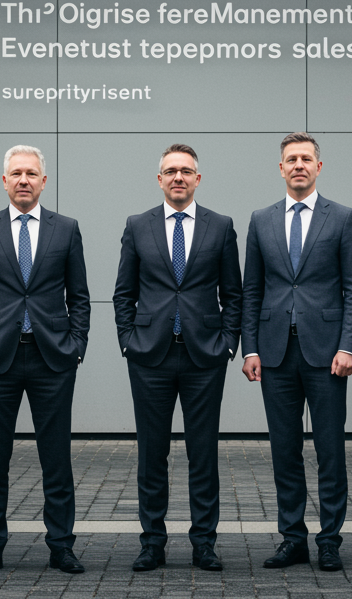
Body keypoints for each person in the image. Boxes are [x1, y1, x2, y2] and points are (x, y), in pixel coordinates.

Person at [0, 145, 91, 575]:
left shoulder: (66, 229)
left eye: (31, 174)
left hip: (52, 359)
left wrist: (75, 346)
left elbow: (80, 296)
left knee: (57, 458)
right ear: (4, 181)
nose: (23, 180)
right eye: (16, 173)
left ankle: (61, 546)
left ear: (43, 181)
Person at [113, 143, 242, 573]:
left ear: (197, 179)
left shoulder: (220, 226)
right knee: (152, 454)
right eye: (170, 171)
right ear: (159, 179)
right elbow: (124, 293)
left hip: (205, 357)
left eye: (186, 171)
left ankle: (204, 543)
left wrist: (227, 344)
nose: (178, 177)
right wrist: (128, 341)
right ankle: (152, 543)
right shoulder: (138, 225)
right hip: (149, 357)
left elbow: (234, 294)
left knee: (203, 454)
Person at [241, 132, 352, 572]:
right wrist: (250, 349)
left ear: (318, 167)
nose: (298, 165)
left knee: (330, 450)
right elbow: (251, 290)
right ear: (281, 168)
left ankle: (329, 540)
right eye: (291, 159)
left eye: (306, 159)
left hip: (327, 354)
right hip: (275, 353)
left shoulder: (342, 218)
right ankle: (293, 538)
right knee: (284, 451)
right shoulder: (261, 219)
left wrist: (349, 345)